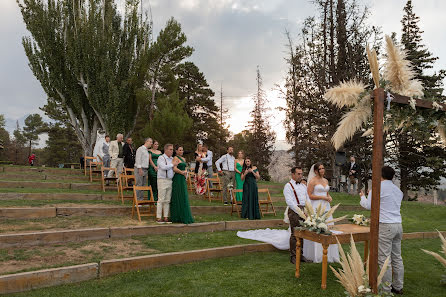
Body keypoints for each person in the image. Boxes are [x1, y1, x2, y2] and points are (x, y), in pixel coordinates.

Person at [359, 166, 404, 295]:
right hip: (398, 225)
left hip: (385, 225)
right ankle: (398, 286)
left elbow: (368, 206)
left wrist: (363, 196)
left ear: (380, 175)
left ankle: (386, 289)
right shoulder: (398, 190)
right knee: (397, 257)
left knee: (385, 260)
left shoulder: (377, 188)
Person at [303, 162, 339, 263]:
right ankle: (317, 254)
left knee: (328, 226)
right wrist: (322, 197)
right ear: (315, 171)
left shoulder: (326, 180)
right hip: (316, 206)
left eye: (323, 168)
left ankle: (330, 254)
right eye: (320, 169)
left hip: (326, 206)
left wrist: (329, 197)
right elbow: (310, 195)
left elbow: (327, 193)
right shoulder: (312, 181)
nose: (322, 170)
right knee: (317, 227)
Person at [284, 166, 309, 264]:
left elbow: (307, 199)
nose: (300, 176)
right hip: (294, 211)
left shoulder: (303, 186)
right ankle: (294, 256)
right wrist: (299, 211)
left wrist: (307, 210)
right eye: (298, 174)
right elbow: (289, 202)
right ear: (293, 174)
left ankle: (301, 255)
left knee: (302, 233)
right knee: (295, 234)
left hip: (304, 210)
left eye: (301, 174)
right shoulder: (288, 186)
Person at [170, 145, 195, 224]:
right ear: (176, 151)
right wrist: (182, 172)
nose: (181, 151)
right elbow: (174, 168)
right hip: (177, 178)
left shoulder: (184, 159)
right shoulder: (175, 158)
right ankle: (177, 216)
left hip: (182, 178)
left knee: (183, 195)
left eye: (182, 150)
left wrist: (186, 172)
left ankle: (183, 215)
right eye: (180, 150)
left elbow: (185, 168)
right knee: (178, 195)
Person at [156, 144, 179, 224]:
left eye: (172, 149)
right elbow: (163, 167)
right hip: (162, 180)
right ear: (165, 150)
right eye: (170, 149)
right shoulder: (161, 158)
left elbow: (174, 168)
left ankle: (166, 216)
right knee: (161, 199)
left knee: (167, 199)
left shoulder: (172, 159)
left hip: (170, 180)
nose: (172, 151)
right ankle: (159, 217)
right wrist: (173, 165)